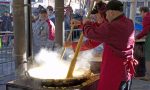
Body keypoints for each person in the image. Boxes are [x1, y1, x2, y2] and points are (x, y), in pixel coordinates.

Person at [65, 0, 138, 90]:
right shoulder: (128, 22)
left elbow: (92, 34)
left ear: (110, 12)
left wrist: (86, 23)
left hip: (114, 71)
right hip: (125, 71)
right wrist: (81, 24)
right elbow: (101, 27)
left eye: (104, 15)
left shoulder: (112, 27)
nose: (105, 18)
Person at [136, 7, 150, 80]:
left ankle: (148, 76)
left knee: (148, 56)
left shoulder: (146, 18)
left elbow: (145, 30)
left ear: (143, 11)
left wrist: (137, 37)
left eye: (140, 13)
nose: (141, 15)